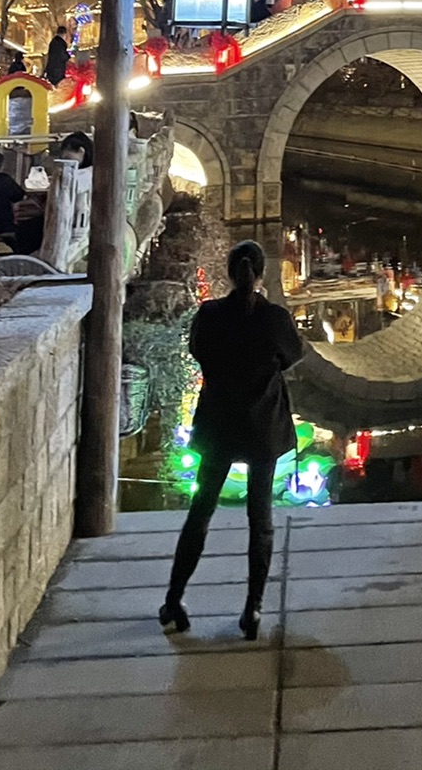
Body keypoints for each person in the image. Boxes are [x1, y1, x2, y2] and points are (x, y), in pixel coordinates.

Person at [160, 241, 303, 639]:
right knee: (261, 520)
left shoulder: (211, 314)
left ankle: (173, 599)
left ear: (228, 271)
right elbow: (293, 355)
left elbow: (198, 351)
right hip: (262, 426)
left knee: (200, 512)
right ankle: (252, 609)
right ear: (260, 274)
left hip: (219, 424)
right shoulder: (273, 318)